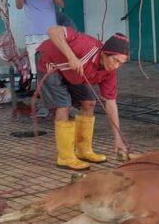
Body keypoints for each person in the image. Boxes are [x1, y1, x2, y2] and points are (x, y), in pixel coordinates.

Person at [36, 26, 130, 170]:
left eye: (121, 63)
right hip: (50, 61)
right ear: (104, 54)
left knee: (90, 102)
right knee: (64, 105)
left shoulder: (110, 72)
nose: (116, 66)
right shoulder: (86, 45)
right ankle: (65, 157)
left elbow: (111, 104)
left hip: (74, 73)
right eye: (115, 60)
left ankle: (83, 150)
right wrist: (71, 57)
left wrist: (117, 139)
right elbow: (52, 31)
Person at [15, 0, 65, 78]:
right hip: (32, 33)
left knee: (54, 65)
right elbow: (18, 5)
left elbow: (61, 4)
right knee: (36, 68)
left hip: (51, 32)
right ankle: (41, 91)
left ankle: (55, 90)